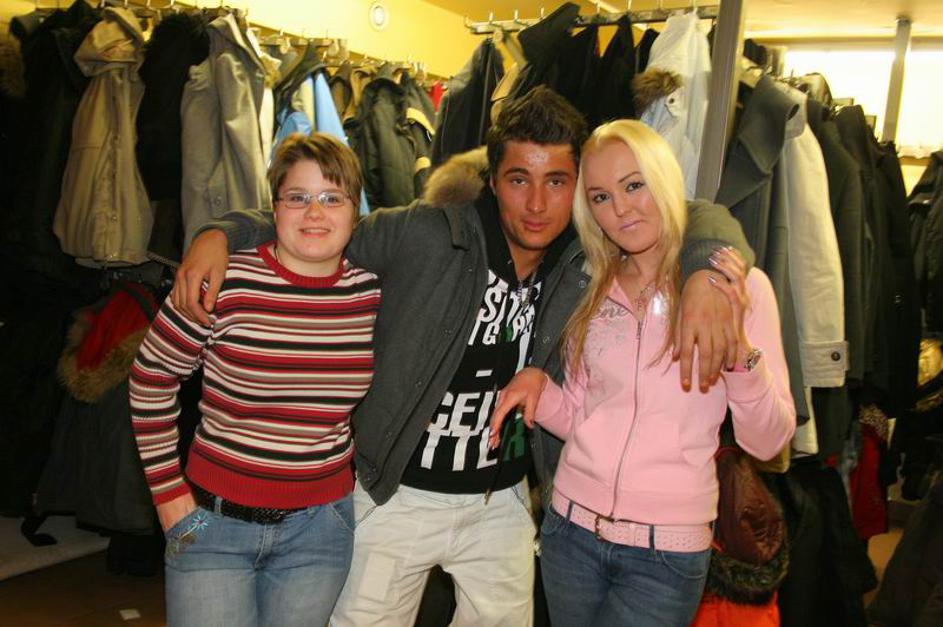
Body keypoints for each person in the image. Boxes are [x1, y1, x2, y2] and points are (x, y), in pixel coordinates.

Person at [171, 87, 752, 626]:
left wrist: (705, 267)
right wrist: (221, 232)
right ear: (492, 181)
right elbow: (319, 222)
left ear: (577, 187)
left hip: (500, 501)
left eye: (557, 181)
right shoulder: (428, 233)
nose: (537, 203)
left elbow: (698, 213)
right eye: (519, 179)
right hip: (396, 493)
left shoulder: (583, 257)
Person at [489, 119, 797, 627]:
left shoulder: (736, 290)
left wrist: (738, 354)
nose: (621, 209)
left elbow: (768, 441)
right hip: (570, 531)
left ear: (665, 179)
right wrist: (541, 390)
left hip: (666, 554)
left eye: (634, 185)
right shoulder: (592, 286)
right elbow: (584, 417)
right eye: (601, 197)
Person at [129, 133, 380, 627]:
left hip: (321, 530)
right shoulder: (224, 281)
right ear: (274, 208)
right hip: (213, 525)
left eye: (332, 198)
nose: (314, 212)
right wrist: (166, 492)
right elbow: (151, 375)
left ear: (356, 211)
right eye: (297, 197)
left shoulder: (370, 294)